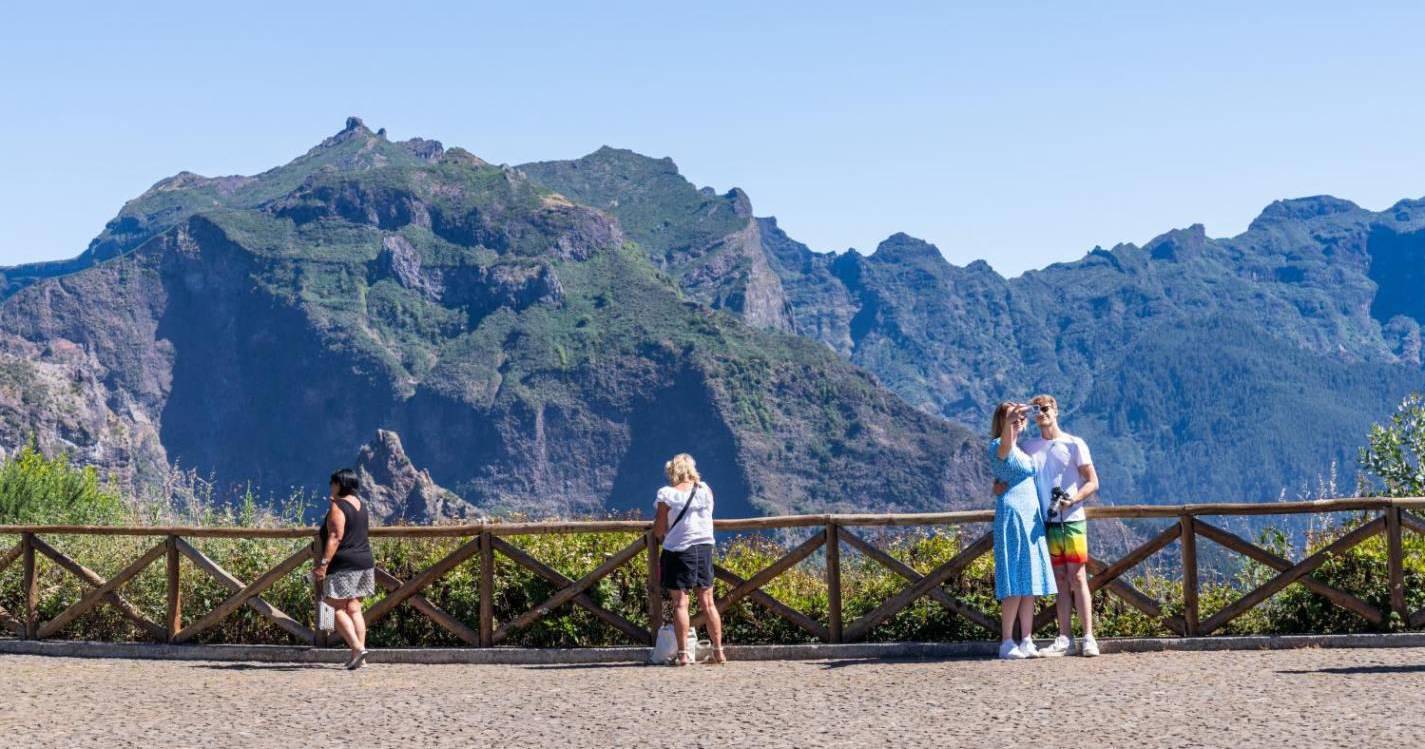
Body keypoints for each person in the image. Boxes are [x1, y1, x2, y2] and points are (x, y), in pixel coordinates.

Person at [1021, 394, 1101, 657]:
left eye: (1045, 409)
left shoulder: (1074, 443)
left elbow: (1092, 481)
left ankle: (1088, 637)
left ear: (1055, 410)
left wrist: (1073, 500)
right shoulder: (1029, 447)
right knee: (1060, 580)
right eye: (1037, 411)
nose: (1041, 414)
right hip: (1049, 522)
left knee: (1078, 577)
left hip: (1074, 519)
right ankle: (1065, 637)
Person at [988, 402, 1056, 659]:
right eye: (1010, 418)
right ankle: (1007, 641)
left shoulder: (1022, 449)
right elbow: (1005, 444)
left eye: (1018, 417)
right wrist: (1010, 421)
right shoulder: (998, 446)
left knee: (1029, 580)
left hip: (1031, 516)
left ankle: (1027, 638)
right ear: (1002, 422)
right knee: (1015, 578)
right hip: (1013, 515)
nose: (1017, 420)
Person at [653, 453, 725, 666]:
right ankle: (719, 651)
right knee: (708, 603)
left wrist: (662, 536)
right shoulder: (705, 490)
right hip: (704, 548)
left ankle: (684, 654)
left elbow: (659, 528)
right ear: (692, 470)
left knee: (680, 603)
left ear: (672, 472)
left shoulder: (667, 494)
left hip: (678, 550)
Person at [314, 468, 375, 670]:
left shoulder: (338, 506)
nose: (330, 487)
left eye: (332, 483)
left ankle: (357, 649)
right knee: (354, 607)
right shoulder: (361, 505)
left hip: (344, 563)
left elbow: (335, 536)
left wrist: (323, 564)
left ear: (339, 484)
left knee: (334, 606)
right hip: (364, 562)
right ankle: (361, 656)